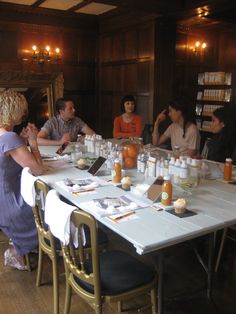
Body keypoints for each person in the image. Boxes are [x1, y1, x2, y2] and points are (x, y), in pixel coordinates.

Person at [0, 89, 43, 270]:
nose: (24, 114)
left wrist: (23, 140)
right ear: (14, 110)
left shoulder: (6, 135)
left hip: (3, 198)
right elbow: (38, 169)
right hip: (12, 202)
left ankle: (25, 245)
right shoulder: (9, 137)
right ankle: (17, 251)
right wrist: (33, 142)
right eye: (22, 110)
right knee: (47, 207)